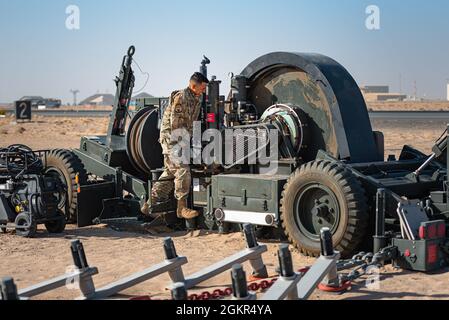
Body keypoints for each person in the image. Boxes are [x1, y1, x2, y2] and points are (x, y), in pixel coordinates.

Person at [141, 72, 209, 219]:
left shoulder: (198, 98)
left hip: (183, 138)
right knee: (182, 169)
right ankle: (182, 208)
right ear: (193, 86)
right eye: (202, 88)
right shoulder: (181, 97)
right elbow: (176, 125)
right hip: (172, 138)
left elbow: (194, 122)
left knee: (171, 172)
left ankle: (148, 204)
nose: (203, 91)